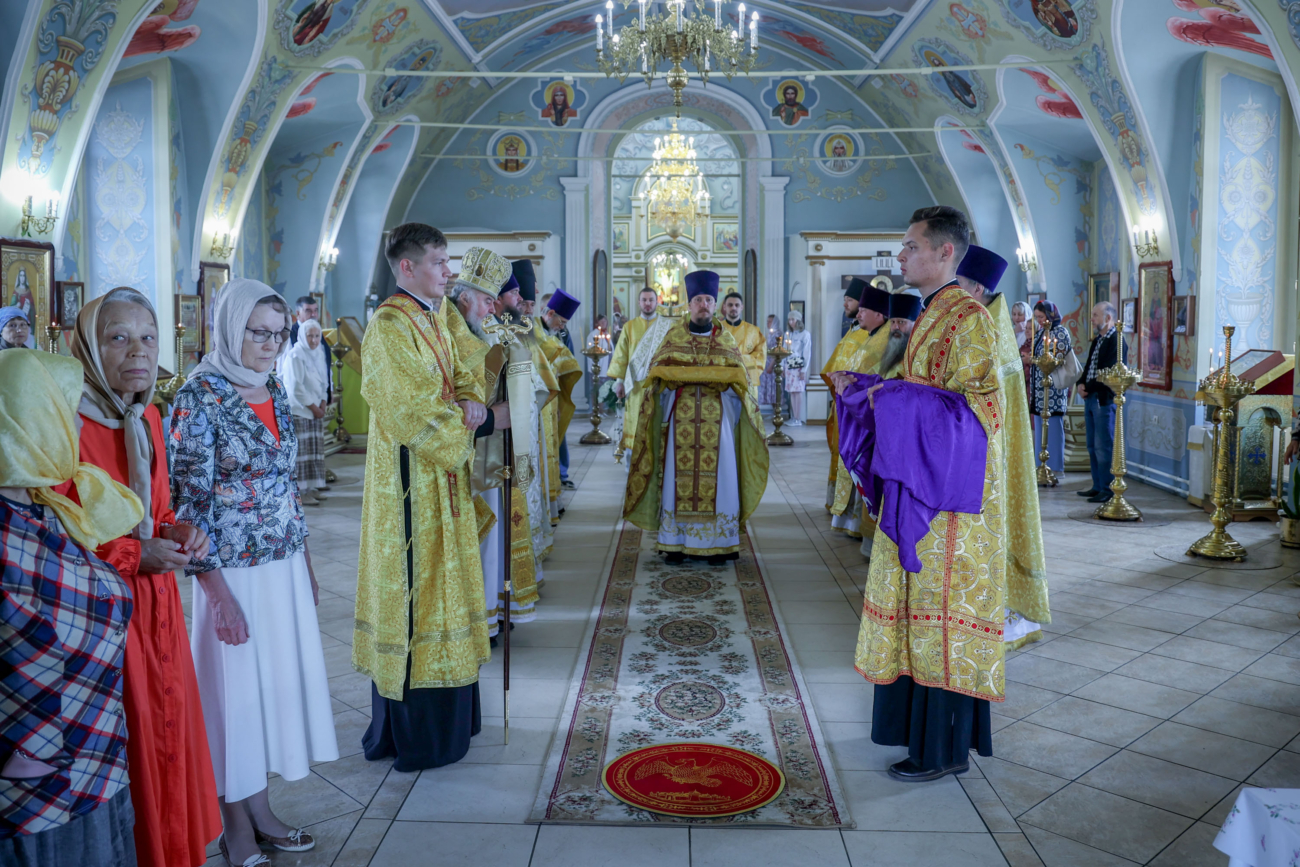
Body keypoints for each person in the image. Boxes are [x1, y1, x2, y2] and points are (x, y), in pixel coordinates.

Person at [171, 278, 338, 867]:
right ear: (228, 327)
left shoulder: (268, 384)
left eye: (278, 334)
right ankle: (233, 824)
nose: (271, 345)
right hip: (232, 573)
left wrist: (307, 561)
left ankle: (261, 809)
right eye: (257, 333)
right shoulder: (200, 396)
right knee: (231, 699)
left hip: (282, 563)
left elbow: (286, 485)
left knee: (267, 691)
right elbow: (186, 504)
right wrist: (216, 594)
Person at [835, 205, 1005, 782]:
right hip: (922, 495)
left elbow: (980, 418)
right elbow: (922, 393)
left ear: (945, 253)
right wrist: (874, 393)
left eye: (910, 246)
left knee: (940, 621)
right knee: (917, 620)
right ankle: (918, 737)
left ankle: (944, 751)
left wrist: (895, 400)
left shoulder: (970, 320)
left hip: (949, 509)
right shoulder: (934, 314)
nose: (901, 256)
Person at [60, 289, 222, 867]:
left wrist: (178, 533)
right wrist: (136, 554)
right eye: (118, 337)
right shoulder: (63, 422)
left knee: (168, 731)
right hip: (104, 614)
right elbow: (61, 534)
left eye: (148, 337)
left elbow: (157, 511)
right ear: (87, 346)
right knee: (131, 739)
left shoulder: (148, 415)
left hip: (158, 608)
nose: (138, 351)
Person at [354, 223, 491, 774]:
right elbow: (409, 409)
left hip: (446, 479)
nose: (449, 271)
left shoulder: (439, 315)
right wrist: (468, 424)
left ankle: (455, 717)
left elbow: (466, 364)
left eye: (447, 260)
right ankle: (419, 734)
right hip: (412, 483)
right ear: (407, 267)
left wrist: (473, 396)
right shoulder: (389, 326)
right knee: (420, 587)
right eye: (438, 261)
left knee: (448, 583)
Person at [0, 350, 144, 867]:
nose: (72, 425)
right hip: (44, 782)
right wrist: (35, 751)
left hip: (95, 749)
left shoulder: (42, 508)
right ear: (30, 418)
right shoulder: (7, 530)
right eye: (63, 409)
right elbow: (20, 641)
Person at [624, 270, 769, 564]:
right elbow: (656, 379)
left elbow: (739, 382)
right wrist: (672, 384)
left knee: (722, 477)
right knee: (677, 476)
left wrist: (721, 385)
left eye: (708, 300)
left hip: (720, 422)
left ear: (715, 305)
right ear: (688, 305)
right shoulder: (673, 337)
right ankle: (674, 542)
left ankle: (720, 544)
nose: (704, 305)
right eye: (698, 300)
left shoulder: (726, 341)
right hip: (680, 422)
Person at [447, 254, 544, 642]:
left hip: (496, 453)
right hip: (469, 458)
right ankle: (481, 618)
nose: (495, 309)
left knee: (498, 533)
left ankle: (497, 609)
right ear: (469, 297)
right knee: (480, 538)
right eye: (489, 301)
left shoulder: (483, 328)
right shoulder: (450, 332)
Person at [958, 245, 1050, 649]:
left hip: (995, 446)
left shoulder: (988, 326)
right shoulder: (984, 318)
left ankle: (1009, 614)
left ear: (976, 287)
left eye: (957, 285)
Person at [824, 280, 889, 526]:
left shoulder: (882, 340)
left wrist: (850, 385)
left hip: (865, 413)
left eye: (864, 309)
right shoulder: (867, 335)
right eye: (857, 308)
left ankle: (860, 524)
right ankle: (852, 520)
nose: (858, 312)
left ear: (879, 314)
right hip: (851, 407)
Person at [606, 287, 670, 457]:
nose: (647, 303)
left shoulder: (667, 326)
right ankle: (631, 467)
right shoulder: (629, 326)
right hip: (635, 387)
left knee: (657, 421)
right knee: (634, 423)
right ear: (639, 302)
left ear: (657, 302)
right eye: (644, 300)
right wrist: (619, 382)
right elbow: (622, 355)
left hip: (659, 385)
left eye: (651, 300)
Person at [1077, 302, 1127, 503]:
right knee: (1091, 445)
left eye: (1096, 315)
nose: (1092, 319)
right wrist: (1081, 383)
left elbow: (1108, 371)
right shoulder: (1098, 339)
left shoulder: (1117, 340)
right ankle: (1097, 485)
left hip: (1103, 399)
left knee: (1103, 445)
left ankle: (1107, 488)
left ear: (1108, 318)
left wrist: (1087, 386)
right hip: (1090, 397)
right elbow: (1089, 365)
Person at [538, 289, 583, 500]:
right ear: (550, 313)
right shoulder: (533, 333)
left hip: (555, 398)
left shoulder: (559, 334)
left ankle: (560, 478)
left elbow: (568, 359)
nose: (562, 327)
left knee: (559, 438)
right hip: (540, 400)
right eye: (561, 321)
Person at [281, 318, 330, 506]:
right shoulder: (295, 355)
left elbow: (324, 380)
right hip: (301, 410)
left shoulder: (317, 354)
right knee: (302, 455)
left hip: (316, 409)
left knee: (314, 453)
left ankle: (311, 488)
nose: (314, 340)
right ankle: (300, 492)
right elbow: (296, 388)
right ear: (302, 335)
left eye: (317, 336)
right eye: (310, 336)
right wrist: (315, 407)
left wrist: (324, 402)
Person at [1028, 300, 1070, 476]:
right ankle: (1040, 467)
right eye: (1037, 317)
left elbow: (1056, 358)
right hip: (1039, 391)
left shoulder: (1060, 332)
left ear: (1051, 315)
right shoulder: (1040, 333)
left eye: (1042, 317)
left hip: (1053, 390)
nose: (1039, 320)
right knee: (1040, 428)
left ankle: (1054, 468)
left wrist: (1039, 360)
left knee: (1052, 428)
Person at [719, 292, 766, 407]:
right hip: (722, 382)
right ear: (724, 307)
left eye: (736, 305)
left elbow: (761, 356)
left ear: (742, 307)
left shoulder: (753, 331)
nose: (733, 308)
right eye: (730, 305)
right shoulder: (716, 329)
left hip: (747, 381)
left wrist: (739, 359)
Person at [289, 295, 332, 404]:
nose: (313, 315)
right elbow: (284, 372)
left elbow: (325, 365)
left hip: (319, 398)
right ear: (298, 313)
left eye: (315, 310)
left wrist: (328, 392)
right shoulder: (290, 335)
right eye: (308, 311)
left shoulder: (318, 334)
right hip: (299, 402)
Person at [783, 309, 812, 425]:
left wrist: (804, 370)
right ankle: (794, 417)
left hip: (798, 366)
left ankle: (798, 418)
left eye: (793, 319)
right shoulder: (788, 334)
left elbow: (807, 353)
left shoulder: (805, 334)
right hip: (789, 366)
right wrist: (782, 366)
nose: (791, 322)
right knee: (791, 391)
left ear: (798, 320)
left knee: (798, 391)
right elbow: (784, 350)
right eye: (789, 319)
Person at [759, 313, 779, 407]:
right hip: (766, 363)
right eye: (767, 321)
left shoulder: (778, 334)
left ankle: (777, 412)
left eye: (770, 321)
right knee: (768, 390)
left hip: (773, 364)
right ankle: (773, 412)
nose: (768, 323)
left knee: (774, 389)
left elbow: (777, 351)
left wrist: (771, 365)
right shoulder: (768, 334)